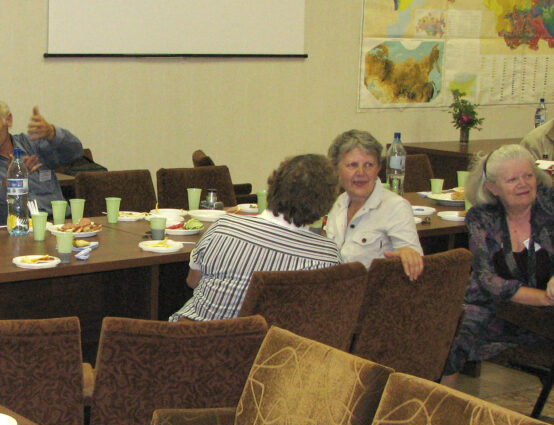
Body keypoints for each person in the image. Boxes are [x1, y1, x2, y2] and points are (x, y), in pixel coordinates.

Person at [442, 144, 554, 382]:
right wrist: (543, 297)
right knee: (450, 333)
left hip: (547, 317)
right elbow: (487, 279)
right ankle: (441, 401)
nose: (523, 184)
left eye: (528, 175)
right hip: (495, 306)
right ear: (492, 188)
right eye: (512, 179)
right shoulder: (481, 217)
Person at [170, 154, 341, 322]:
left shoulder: (224, 226)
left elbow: (192, 282)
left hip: (193, 335)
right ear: (326, 203)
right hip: (269, 339)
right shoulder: (327, 257)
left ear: (273, 186)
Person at [0, 99, 83, 226]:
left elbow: (75, 153)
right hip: (16, 229)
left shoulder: (33, 144)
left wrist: (52, 133)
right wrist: (10, 183)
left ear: (8, 120)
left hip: (58, 224)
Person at [324, 129, 424, 280]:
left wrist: (407, 253)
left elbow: (414, 261)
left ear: (378, 168)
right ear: (336, 169)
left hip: (374, 291)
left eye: (369, 165)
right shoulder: (339, 203)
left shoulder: (396, 207)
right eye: (352, 165)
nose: (361, 172)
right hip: (338, 288)